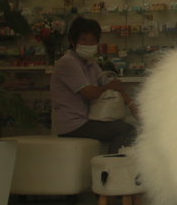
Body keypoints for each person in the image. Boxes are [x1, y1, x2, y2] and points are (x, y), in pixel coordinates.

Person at [50, 17, 137, 153]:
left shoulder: (89, 62)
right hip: (74, 124)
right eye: (83, 40)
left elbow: (111, 84)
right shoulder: (68, 62)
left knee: (128, 125)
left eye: (92, 40)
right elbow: (90, 93)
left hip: (89, 119)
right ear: (72, 42)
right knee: (126, 131)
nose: (88, 44)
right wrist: (111, 86)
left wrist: (132, 105)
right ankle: (110, 168)